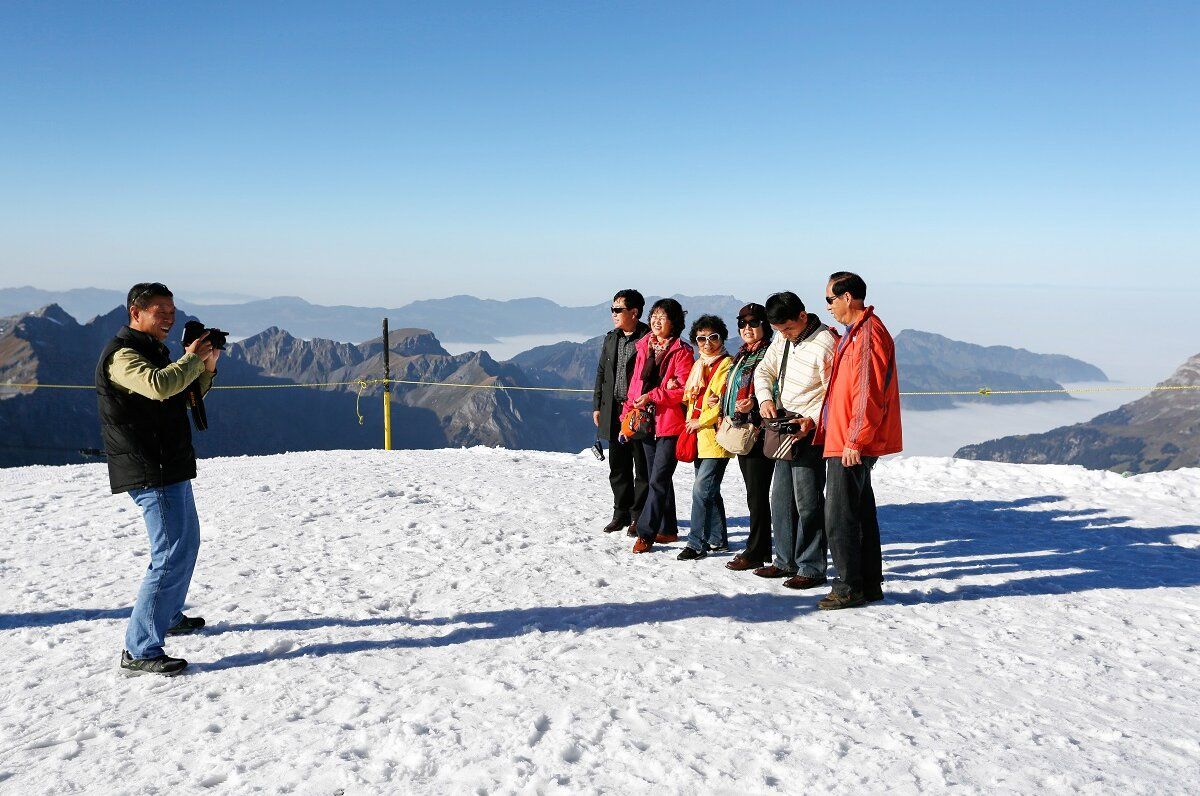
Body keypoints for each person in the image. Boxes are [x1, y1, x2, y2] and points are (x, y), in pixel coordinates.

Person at [96, 282, 219, 675]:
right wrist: (190, 359)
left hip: (169, 463)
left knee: (186, 543)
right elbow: (159, 385)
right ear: (136, 312)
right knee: (169, 553)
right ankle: (139, 650)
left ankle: (167, 614)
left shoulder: (154, 351)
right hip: (150, 467)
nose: (169, 317)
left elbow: (183, 395)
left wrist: (206, 363)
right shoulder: (122, 356)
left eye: (172, 310)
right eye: (160, 311)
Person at [815, 271, 903, 609]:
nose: (828, 307)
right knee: (859, 512)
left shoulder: (868, 334)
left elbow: (867, 393)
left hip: (850, 442)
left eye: (830, 299)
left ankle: (848, 585)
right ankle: (868, 582)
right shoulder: (856, 334)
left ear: (848, 297)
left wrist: (855, 439)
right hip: (844, 437)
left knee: (839, 515)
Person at [752, 291, 838, 589]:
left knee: (808, 501)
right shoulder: (783, 338)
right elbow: (765, 369)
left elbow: (833, 395)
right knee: (781, 498)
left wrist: (811, 421)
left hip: (808, 429)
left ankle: (812, 567)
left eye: (788, 329)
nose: (784, 335)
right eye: (779, 331)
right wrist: (764, 398)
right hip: (784, 424)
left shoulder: (826, 343)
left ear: (803, 316)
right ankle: (784, 560)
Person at [623, 298, 695, 554]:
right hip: (644, 422)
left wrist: (655, 395)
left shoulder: (682, 352)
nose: (656, 321)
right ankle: (668, 528)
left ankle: (646, 533)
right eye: (654, 315)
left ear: (674, 323)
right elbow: (635, 386)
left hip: (669, 424)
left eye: (662, 317)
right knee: (658, 478)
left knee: (658, 479)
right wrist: (626, 416)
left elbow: (685, 389)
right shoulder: (645, 346)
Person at [717, 303, 776, 572]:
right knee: (754, 493)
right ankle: (759, 546)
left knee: (758, 493)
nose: (747, 329)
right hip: (742, 430)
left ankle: (757, 549)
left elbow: (776, 387)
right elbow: (733, 386)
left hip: (759, 431)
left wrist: (754, 403)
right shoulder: (743, 354)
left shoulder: (769, 353)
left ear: (764, 324)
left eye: (753, 323)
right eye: (742, 324)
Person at [593, 289, 651, 535]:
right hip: (613, 408)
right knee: (618, 465)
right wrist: (597, 405)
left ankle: (639, 516)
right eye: (612, 309)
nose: (613, 314)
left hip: (637, 411)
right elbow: (601, 373)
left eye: (618, 310)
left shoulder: (648, 338)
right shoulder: (611, 338)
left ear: (634, 312)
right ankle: (620, 513)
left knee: (641, 466)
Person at [676, 315, 733, 561]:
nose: (707, 343)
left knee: (701, 491)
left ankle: (695, 543)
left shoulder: (727, 364)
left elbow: (723, 401)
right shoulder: (699, 365)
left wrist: (702, 418)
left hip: (715, 438)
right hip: (699, 437)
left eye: (713, 337)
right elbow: (691, 398)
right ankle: (717, 539)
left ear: (722, 338)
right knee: (710, 490)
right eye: (701, 338)